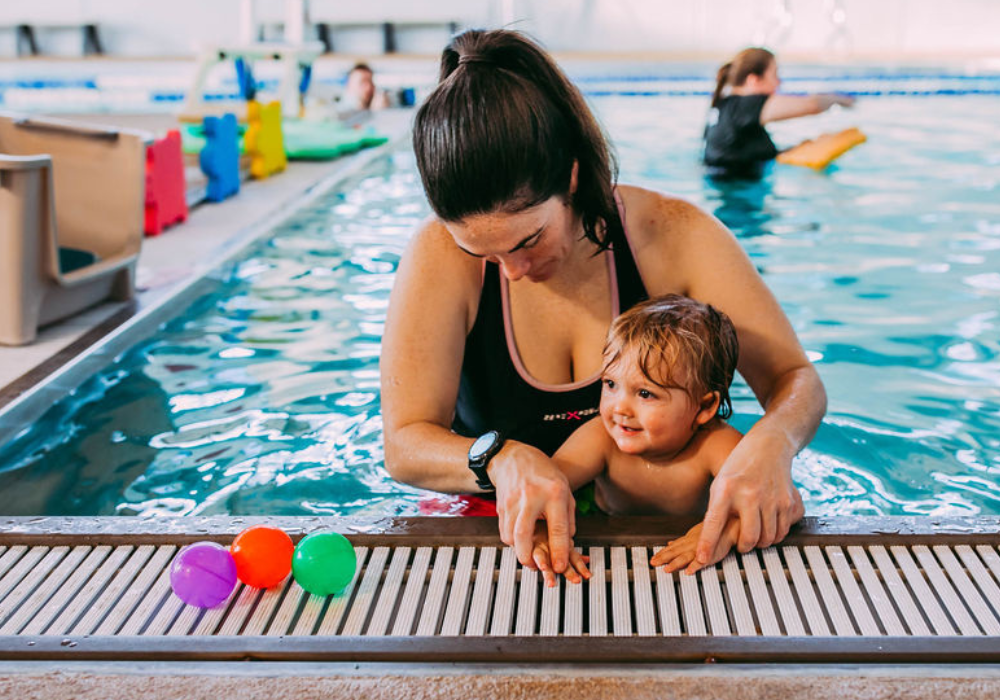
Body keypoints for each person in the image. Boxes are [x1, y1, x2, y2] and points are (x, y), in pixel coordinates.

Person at [380, 29, 823, 581]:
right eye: (482, 253)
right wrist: (500, 458)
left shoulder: (675, 236)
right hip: (510, 520)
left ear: (570, 176)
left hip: (656, 524)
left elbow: (794, 377)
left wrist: (772, 446)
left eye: (527, 241)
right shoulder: (439, 254)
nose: (512, 271)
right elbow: (403, 444)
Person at [530, 294, 749, 586]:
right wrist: (543, 529)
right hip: (603, 524)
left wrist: (725, 529)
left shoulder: (717, 446)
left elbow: (771, 503)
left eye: (645, 394)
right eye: (610, 384)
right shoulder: (600, 437)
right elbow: (542, 486)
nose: (619, 408)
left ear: (705, 407)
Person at [703, 47, 855, 179]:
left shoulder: (723, 105)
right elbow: (812, 105)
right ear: (753, 80)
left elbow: (742, 153)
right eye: (775, 75)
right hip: (740, 196)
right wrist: (841, 100)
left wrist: (794, 150)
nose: (779, 82)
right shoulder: (745, 106)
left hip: (729, 184)